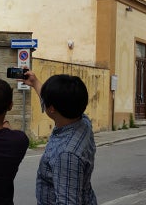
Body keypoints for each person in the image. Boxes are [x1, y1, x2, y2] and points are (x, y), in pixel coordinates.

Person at [22, 70, 98, 205]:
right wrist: (35, 83)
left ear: (52, 109)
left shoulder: (67, 154)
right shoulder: (82, 121)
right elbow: (54, 104)